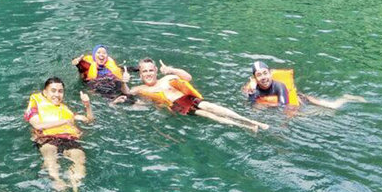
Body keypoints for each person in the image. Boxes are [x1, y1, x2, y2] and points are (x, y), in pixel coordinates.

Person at [114, 58, 267, 132]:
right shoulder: (139, 88)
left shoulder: (166, 78)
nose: (148, 74)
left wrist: (171, 70)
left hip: (187, 98)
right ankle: (245, 126)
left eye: (150, 70)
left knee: (212, 106)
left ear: (155, 70)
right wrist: (123, 81)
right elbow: (127, 93)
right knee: (209, 115)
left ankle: (251, 121)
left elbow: (187, 78)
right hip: (178, 106)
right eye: (144, 71)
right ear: (140, 74)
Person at [24, 77, 94, 192]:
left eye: (60, 91)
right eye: (53, 91)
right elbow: (37, 125)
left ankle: (75, 189)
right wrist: (63, 121)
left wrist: (87, 106)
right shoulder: (35, 105)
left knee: (79, 158)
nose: (57, 94)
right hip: (47, 139)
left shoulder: (66, 110)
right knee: (50, 154)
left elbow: (88, 121)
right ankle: (58, 182)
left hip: (69, 139)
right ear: (45, 92)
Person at [244, 61, 366, 109]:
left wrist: (265, 105)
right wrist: (252, 92)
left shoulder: (279, 86)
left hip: (301, 99)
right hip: (275, 103)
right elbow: (251, 103)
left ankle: (346, 98)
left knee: (333, 107)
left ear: (270, 73)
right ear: (255, 78)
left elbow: (284, 105)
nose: (263, 77)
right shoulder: (255, 89)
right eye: (259, 75)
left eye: (265, 73)